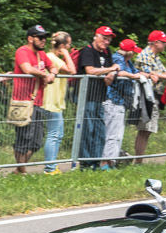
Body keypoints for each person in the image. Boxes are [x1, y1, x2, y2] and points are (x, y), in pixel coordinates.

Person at [12, 25, 54, 174]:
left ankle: (18, 170)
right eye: (40, 37)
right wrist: (44, 75)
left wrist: (52, 74)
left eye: (45, 37)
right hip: (23, 101)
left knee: (36, 141)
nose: (44, 40)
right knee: (23, 139)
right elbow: (27, 69)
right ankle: (21, 171)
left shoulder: (42, 55)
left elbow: (53, 66)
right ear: (30, 39)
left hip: (37, 101)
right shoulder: (22, 51)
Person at [76, 26, 119, 168]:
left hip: (100, 96)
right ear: (96, 36)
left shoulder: (107, 53)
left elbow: (113, 68)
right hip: (87, 96)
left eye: (109, 40)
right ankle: (85, 162)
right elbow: (90, 70)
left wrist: (112, 74)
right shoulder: (88, 51)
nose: (106, 42)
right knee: (87, 129)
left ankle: (96, 160)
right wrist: (111, 70)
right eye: (104, 38)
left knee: (100, 130)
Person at [133, 30, 166, 157]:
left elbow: (163, 72)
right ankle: (138, 159)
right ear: (156, 43)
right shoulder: (145, 55)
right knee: (144, 128)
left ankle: (140, 158)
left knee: (148, 129)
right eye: (163, 42)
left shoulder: (155, 56)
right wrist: (165, 76)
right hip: (145, 96)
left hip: (153, 94)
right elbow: (150, 74)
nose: (165, 45)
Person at [104, 37, 144, 168]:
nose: (135, 54)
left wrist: (148, 75)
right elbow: (119, 73)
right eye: (133, 51)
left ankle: (113, 161)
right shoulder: (118, 59)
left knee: (118, 135)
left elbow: (136, 72)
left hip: (121, 102)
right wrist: (134, 77)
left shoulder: (128, 62)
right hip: (113, 100)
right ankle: (106, 163)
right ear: (128, 52)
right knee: (112, 134)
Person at [42, 31, 76, 174]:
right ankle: (49, 168)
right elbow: (71, 70)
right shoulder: (52, 58)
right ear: (62, 45)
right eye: (68, 44)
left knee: (58, 134)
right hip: (50, 102)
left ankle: (52, 165)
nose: (69, 47)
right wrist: (66, 53)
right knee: (53, 134)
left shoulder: (55, 58)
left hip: (57, 102)